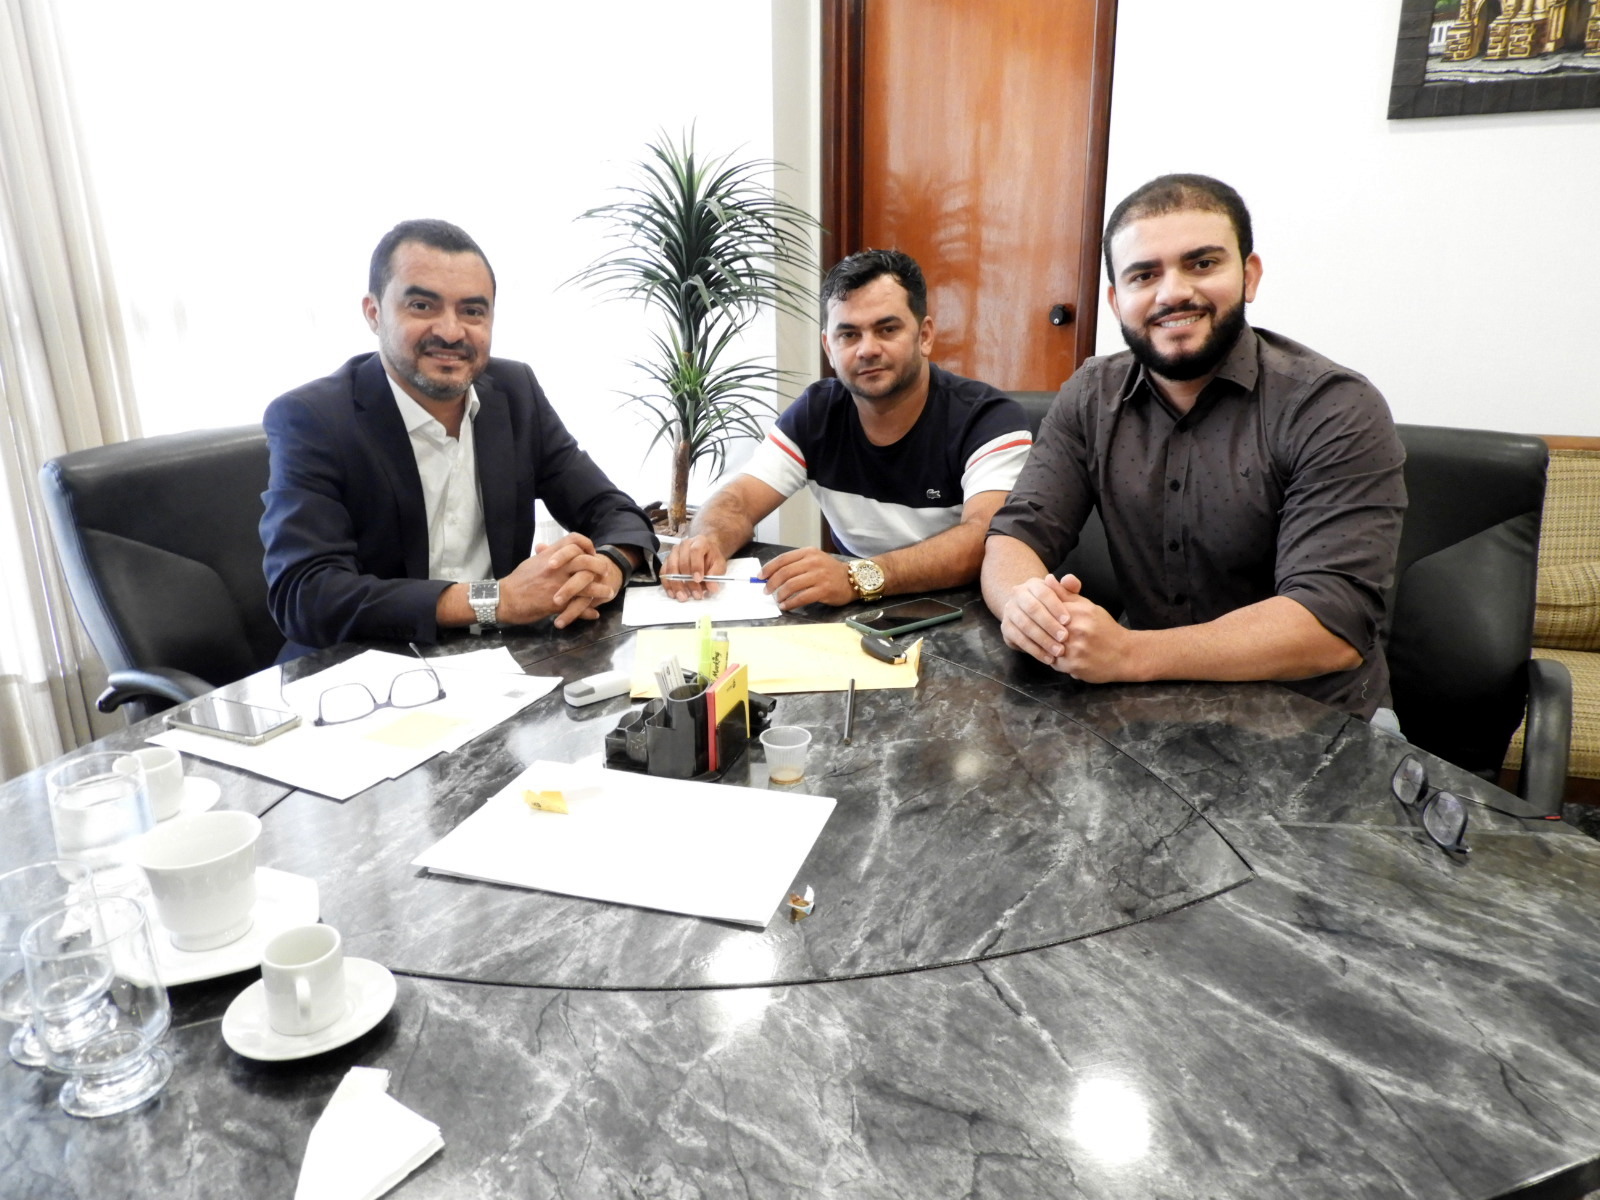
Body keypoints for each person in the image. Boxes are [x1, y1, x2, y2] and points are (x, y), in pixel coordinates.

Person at [982, 175, 1406, 719]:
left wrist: (1128, 653)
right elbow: (1014, 536)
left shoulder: (1333, 407)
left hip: (1316, 719)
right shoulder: (1090, 395)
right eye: (1144, 275)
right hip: (1145, 708)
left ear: (1249, 276)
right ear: (1116, 301)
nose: (1172, 293)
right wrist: (1027, 608)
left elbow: (1332, 624)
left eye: (1202, 264)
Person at [261, 219, 657, 658]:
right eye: (422, 306)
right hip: (360, 672)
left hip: (499, 664)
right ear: (374, 313)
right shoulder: (313, 418)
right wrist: (496, 600)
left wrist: (607, 568)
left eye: (472, 311)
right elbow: (306, 594)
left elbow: (614, 511)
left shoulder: (515, 392)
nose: (451, 332)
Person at [661, 249, 1032, 610]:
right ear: (829, 346)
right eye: (849, 335)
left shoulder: (988, 419)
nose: (867, 349)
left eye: (887, 329)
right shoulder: (816, 412)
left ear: (924, 336)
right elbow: (739, 501)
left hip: (965, 612)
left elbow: (984, 538)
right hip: (854, 614)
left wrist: (858, 578)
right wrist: (707, 540)